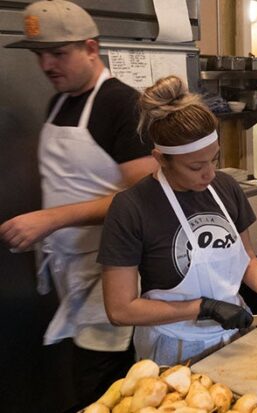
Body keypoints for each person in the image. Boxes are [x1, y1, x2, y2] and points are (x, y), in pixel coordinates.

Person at [0, 0, 158, 407]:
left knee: (107, 388)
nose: (47, 65)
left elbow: (144, 198)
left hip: (110, 274)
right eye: (39, 55)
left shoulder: (121, 103)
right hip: (69, 269)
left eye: (58, 53)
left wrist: (53, 218)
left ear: (91, 48)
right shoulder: (60, 101)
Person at [98, 76, 257, 366]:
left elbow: (245, 258)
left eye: (215, 159)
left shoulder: (225, 188)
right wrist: (201, 308)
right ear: (161, 159)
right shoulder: (132, 208)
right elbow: (121, 309)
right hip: (173, 345)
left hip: (235, 336)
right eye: (196, 166)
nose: (210, 174)